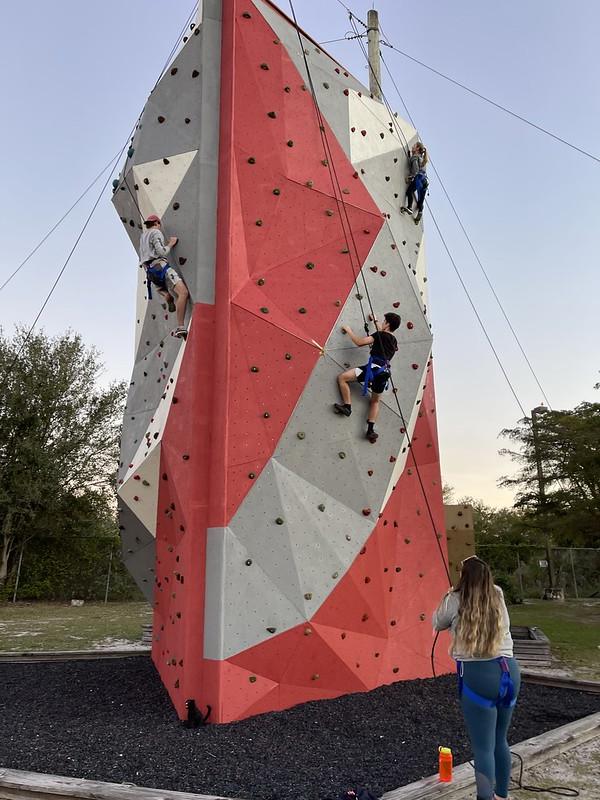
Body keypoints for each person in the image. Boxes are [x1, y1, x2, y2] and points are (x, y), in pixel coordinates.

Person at [433, 556, 521, 800]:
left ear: (463, 575)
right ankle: (502, 796)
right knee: (500, 740)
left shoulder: (454, 598)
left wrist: (449, 594)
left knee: (483, 747)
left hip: (477, 674)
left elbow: (437, 622)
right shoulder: (498, 594)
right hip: (510, 671)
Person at [333, 312, 400, 443]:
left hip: (372, 369)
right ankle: (370, 430)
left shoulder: (380, 335)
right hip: (383, 374)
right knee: (375, 401)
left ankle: (347, 407)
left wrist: (349, 330)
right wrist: (375, 321)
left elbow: (359, 342)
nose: (382, 323)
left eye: (384, 321)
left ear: (387, 324)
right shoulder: (394, 341)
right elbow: (382, 334)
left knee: (342, 378)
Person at [139, 214, 189, 338]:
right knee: (183, 293)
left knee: (161, 288)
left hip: (150, 272)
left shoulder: (142, 237)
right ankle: (181, 327)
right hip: (161, 267)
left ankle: (166, 295)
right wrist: (171, 244)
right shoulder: (156, 232)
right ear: (157, 223)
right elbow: (161, 252)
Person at [400, 141, 428, 224]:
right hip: (425, 181)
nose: (412, 147)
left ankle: (410, 207)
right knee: (420, 200)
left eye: (414, 146)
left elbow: (415, 170)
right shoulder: (422, 159)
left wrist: (410, 177)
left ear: (417, 149)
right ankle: (419, 212)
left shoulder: (415, 157)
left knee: (409, 191)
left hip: (418, 178)